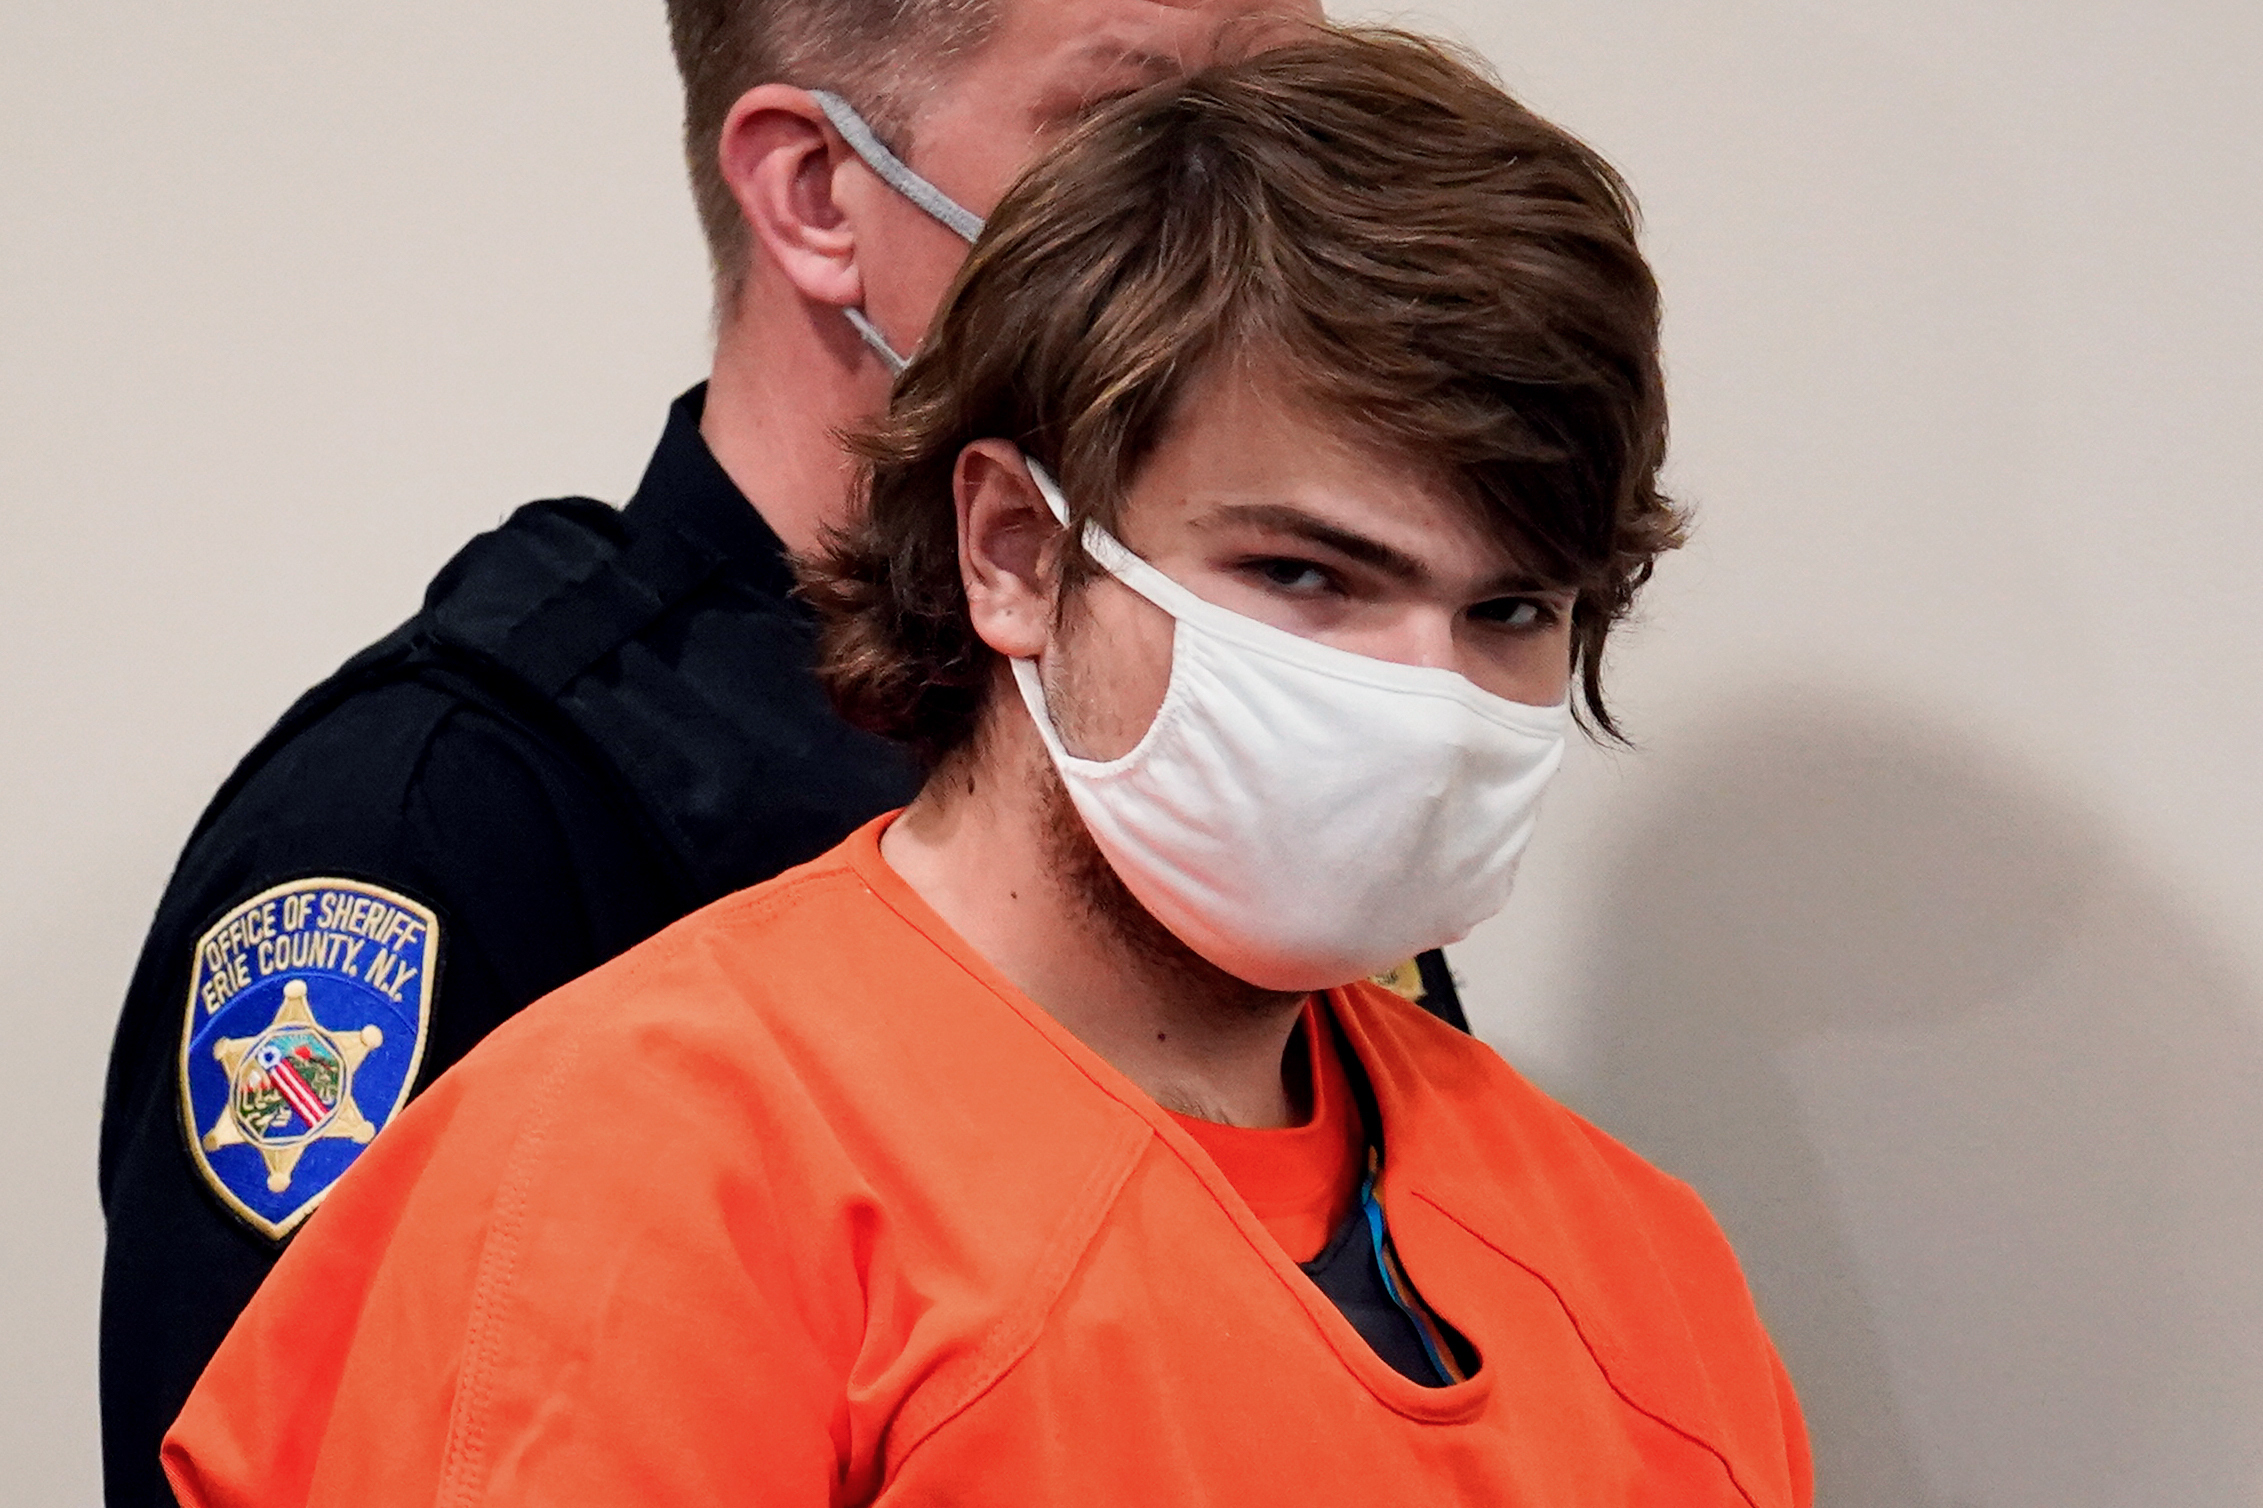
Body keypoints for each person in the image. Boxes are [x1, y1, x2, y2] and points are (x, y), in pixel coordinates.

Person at [160, 29, 1812, 1507]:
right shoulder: (641, 1174)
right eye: (1304, 577)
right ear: (1017, 547)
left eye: (1513, 609)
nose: (1420, 698)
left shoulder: (1634, 1270)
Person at [93, 2, 1365, 1505]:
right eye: (1140, 134)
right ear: (821, 196)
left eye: (1310, 123)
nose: (1274, 227)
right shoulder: (446, 826)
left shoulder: (1260, 719)